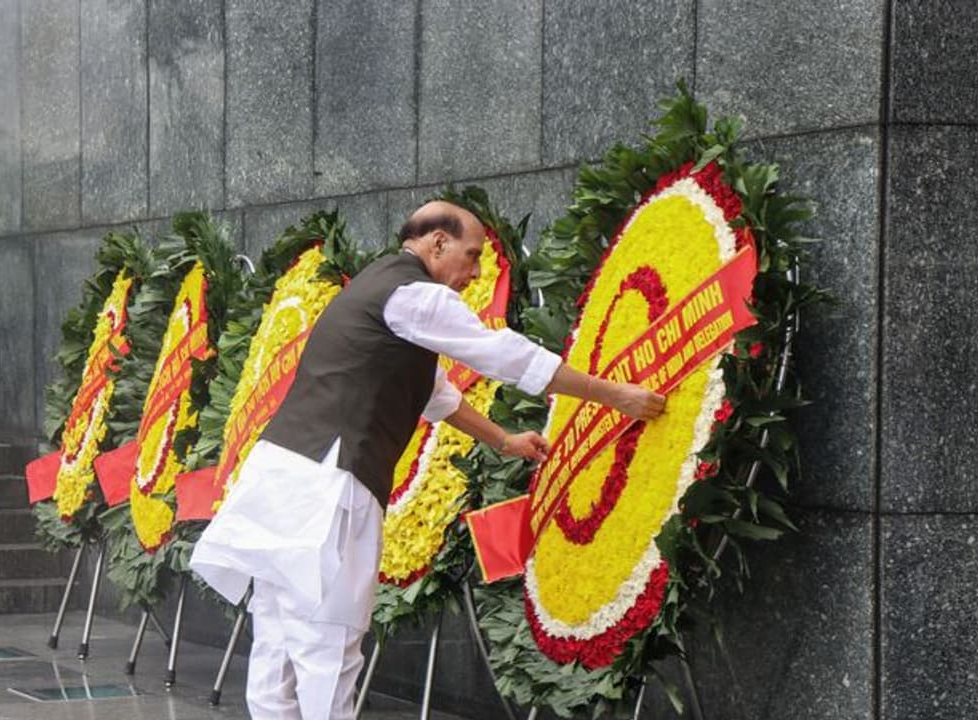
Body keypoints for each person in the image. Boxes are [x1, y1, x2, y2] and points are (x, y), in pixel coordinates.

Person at [191, 200, 666, 720]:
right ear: (437, 243)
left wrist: (504, 441)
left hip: (283, 478)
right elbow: (502, 355)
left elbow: (435, 394)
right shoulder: (416, 295)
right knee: (327, 644)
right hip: (328, 487)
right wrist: (613, 395)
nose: (477, 271)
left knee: (278, 643)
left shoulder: (380, 287)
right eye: (472, 254)